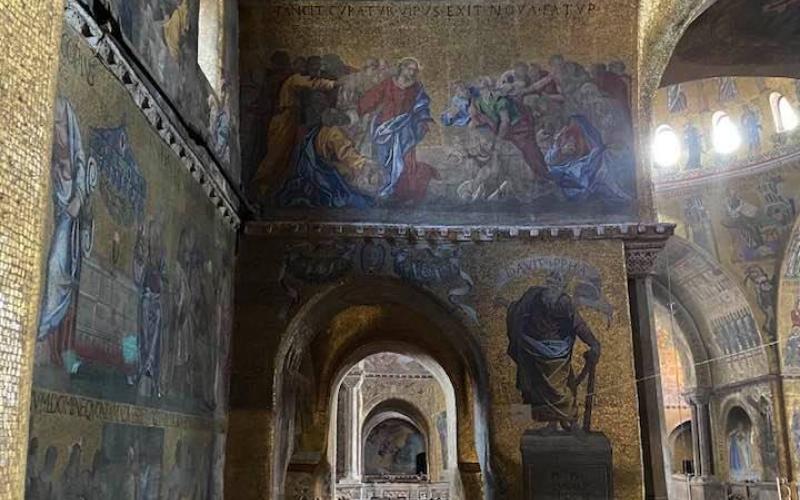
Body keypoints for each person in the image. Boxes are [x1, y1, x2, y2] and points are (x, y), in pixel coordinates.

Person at [38, 97, 96, 371]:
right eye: (55, 122)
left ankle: (46, 326)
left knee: (57, 267)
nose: (57, 128)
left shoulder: (79, 169)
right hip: (53, 206)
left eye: (60, 123)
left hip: (68, 218)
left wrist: (77, 199)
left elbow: (80, 191)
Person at [506, 272, 601, 430]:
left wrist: (593, 343)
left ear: (563, 287)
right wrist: (507, 306)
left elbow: (579, 325)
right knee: (536, 390)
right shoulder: (534, 295)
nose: (553, 285)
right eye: (550, 281)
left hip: (558, 352)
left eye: (557, 283)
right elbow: (518, 310)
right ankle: (551, 424)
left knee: (558, 391)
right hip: (532, 347)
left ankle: (567, 421)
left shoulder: (565, 302)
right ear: (546, 282)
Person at [251, 57, 337, 198]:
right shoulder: (295, 79)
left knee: (286, 155)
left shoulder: (299, 84)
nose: (315, 71)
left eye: (318, 68)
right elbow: (314, 84)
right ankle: (260, 185)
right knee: (277, 152)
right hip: (286, 118)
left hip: (292, 119)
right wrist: (335, 83)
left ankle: (271, 188)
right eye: (312, 67)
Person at [358, 57, 437, 203]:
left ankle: (402, 193)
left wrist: (423, 119)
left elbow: (422, 104)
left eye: (415, 70)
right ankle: (384, 191)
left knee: (406, 160)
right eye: (409, 69)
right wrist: (360, 110)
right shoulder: (388, 83)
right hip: (385, 127)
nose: (412, 72)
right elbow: (373, 97)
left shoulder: (416, 87)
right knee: (382, 160)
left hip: (405, 129)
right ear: (402, 68)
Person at [277, 108, 383, 208]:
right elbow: (345, 153)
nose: (352, 127)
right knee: (349, 194)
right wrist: (362, 163)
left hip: (322, 164)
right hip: (320, 170)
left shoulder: (328, 131)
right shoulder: (333, 133)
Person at [470, 76, 549, 180]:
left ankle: (543, 177)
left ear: (490, 88)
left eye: (485, 88)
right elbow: (477, 118)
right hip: (499, 129)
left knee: (530, 151)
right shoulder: (479, 102)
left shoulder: (501, 100)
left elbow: (505, 121)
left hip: (519, 129)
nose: (483, 91)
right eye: (480, 89)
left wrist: (498, 139)